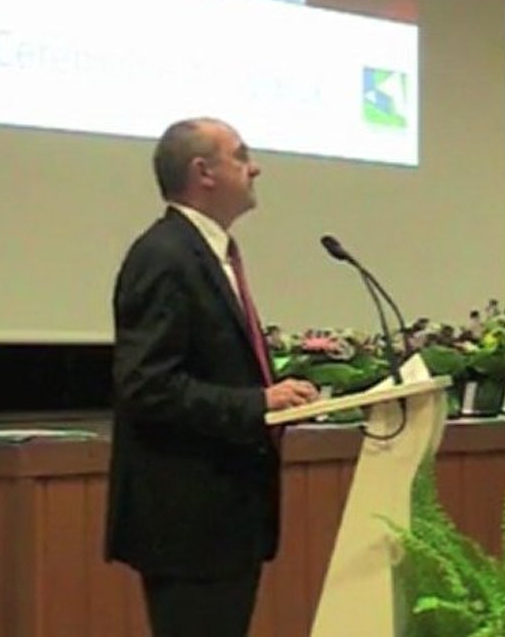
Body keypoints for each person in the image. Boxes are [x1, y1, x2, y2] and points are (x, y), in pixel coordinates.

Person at [104, 117, 319, 637]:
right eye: (242, 156)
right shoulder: (164, 255)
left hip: (221, 518)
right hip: (187, 522)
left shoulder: (207, 252)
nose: (256, 167)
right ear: (203, 172)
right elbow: (146, 385)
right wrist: (257, 403)